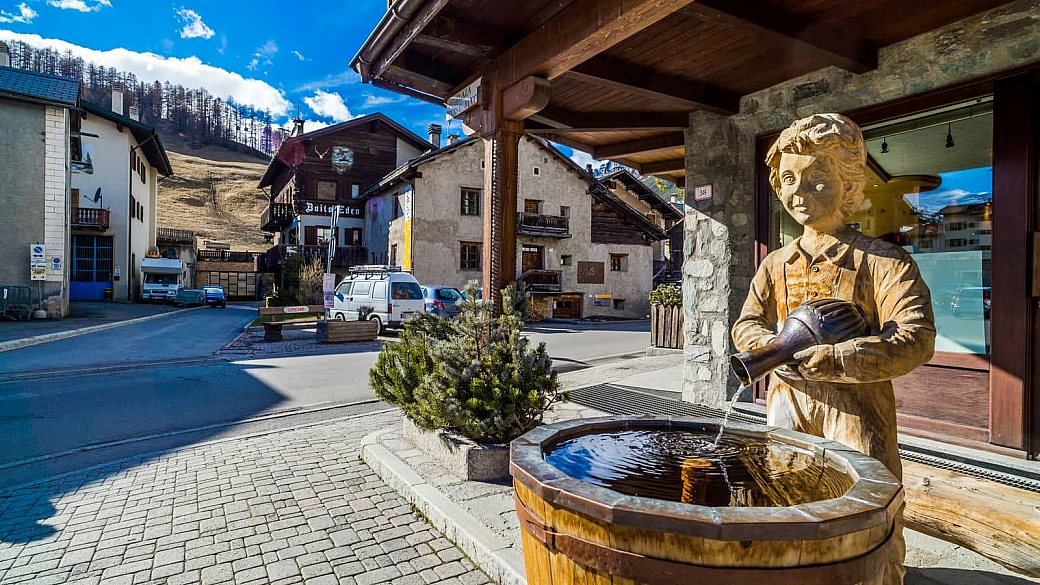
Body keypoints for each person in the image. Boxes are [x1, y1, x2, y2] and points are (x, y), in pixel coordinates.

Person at [732, 113, 936, 585]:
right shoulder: (776, 264)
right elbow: (747, 323)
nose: (798, 192)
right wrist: (771, 347)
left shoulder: (882, 261)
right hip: (786, 409)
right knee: (786, 506)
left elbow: (916, 337)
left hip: (857, 414)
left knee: (866, 521)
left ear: (847, 186)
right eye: (788, 180)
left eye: (815, 178)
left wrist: (838, 358)